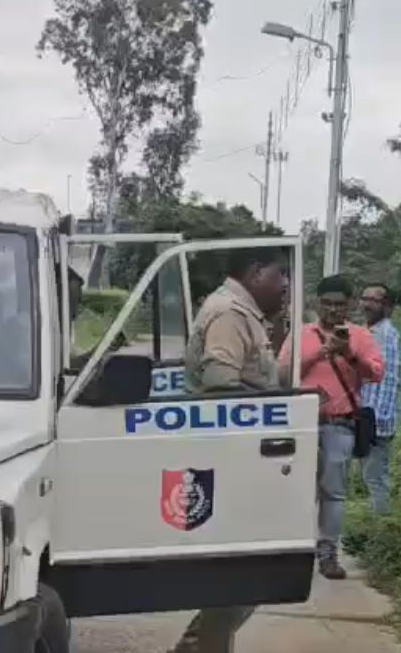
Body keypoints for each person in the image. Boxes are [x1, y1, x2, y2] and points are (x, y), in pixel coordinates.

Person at [170, 246, 288, 653]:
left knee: (242, 577)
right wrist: (277, 401)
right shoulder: (230, 314)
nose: (286, 284)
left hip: (238, 458)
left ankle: (198, 646)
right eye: (280, 274)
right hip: (227, 459)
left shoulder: (244, 313)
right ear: (256, 272)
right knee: (243, 575)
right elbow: (221, 381)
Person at [278, 274, 383, 579]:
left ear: (349, 304)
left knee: (333, 492)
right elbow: (283, 376)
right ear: (317, 303)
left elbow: (377, 373)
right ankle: (293, 550)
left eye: (340, 304)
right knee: (297, 489)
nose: (333, 310)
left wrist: (349, 353)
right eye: (327, 304)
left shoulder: (361, 336)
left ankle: (328, 553)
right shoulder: (302, 335)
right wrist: (319, 354)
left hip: (340, 425)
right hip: (301, 425)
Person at [358, 283, 398, 514]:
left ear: (388, 307)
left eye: (375, 300)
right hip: (366, 418)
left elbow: (384, 379)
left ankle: (380, 531)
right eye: (365, 298)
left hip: (376, 421)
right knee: (369, 477)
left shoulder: (385, 335)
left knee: (375, 479)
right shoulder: (368, 332)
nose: (367, 304)